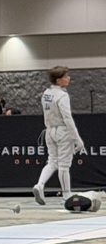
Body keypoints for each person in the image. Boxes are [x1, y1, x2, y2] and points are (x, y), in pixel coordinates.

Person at [33, 66, 84, 205]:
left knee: (52, 162)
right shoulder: (62, 96)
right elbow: (67, 118)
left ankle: (39, 185)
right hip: (62, 131)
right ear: (58, 80)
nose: (69, 78)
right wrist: (77, 139)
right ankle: (67, 196)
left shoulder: (46, 93)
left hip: (49, 131)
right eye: (65, 76)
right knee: (64, 165)